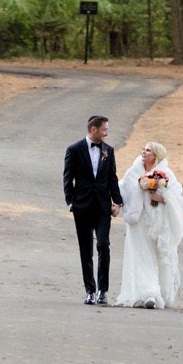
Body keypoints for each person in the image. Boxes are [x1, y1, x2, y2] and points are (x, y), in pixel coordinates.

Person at [114, 139, 183, 310]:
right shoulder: (133, 171)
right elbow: (123, 189)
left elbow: (177, 198)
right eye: (143, 149)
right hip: (136, 221)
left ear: (156, 156)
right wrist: (117, 204)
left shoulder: (166, 173)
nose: (144, 152)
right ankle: (146, 293)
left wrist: (159, 197)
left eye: (148, 150)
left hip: (156, 222)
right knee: (140, 255)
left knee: (155, 256)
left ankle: (157, 291)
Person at [63, 113, 122, 305]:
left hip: (103, 207)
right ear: (93, 129)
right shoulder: (74, 149)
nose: (106, 133)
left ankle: (102, 291)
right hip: (81, 206)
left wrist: (118, 202)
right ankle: (90, 290)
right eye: (104, 129)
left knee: (103, 245)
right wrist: (71, 202)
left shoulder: (108, 151)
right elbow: (67, 177)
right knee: (86, 249)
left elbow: (112, 178)